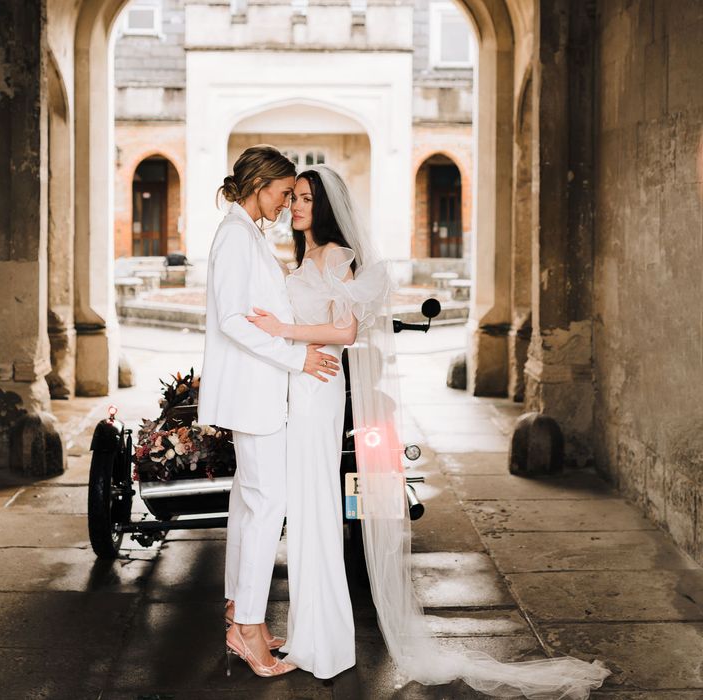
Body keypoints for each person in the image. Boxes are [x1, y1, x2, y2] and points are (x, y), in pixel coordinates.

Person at [247, 165, 611, 698]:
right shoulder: (305, 257)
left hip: (316, 390)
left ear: (324, 207)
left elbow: (346, 330)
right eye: (294, 198)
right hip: (300, 389)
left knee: (316, 513)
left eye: (304, 199)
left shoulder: (334, 257)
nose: (295, 207)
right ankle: (313, 636)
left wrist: (284, 331)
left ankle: (323, 644)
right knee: (306, 514)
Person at [197, 145, 340, 678]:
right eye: (283, 192)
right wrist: (296, 357)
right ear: (259, 184)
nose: (285, 203)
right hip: (255, 392)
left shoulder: (246, 233)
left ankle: (240, 609)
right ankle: (249, 632)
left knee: (248, 504)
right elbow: (233, 320)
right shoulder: (236, 236)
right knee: (266, 507)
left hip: (255, 391)